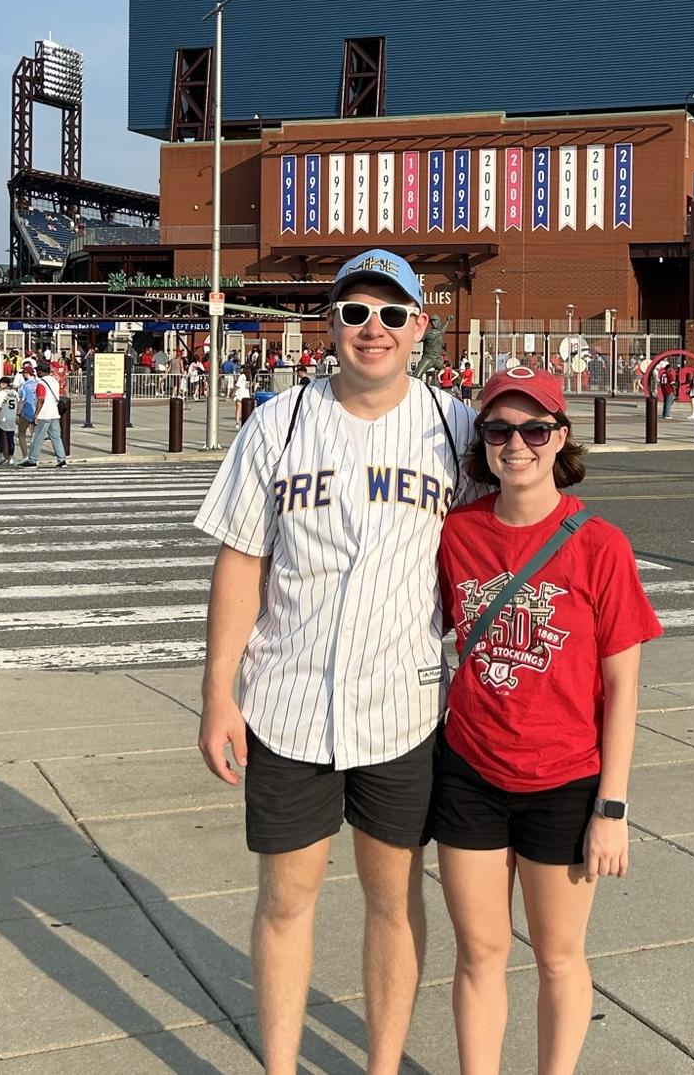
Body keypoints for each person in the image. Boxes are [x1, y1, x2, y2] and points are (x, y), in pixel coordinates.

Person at [193, 248, 476, 1075]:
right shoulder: (277, 422)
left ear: (421, 325)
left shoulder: (455, 428)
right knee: (286, 900)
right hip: (287, 702)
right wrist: (218, 694)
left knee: (394, 898)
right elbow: (242, 561)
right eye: (356, 312)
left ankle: (381, 1067)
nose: (374, 329)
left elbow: (513, 533)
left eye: (393, 313)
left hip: (405, 706)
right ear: (331, 324)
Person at [429, 366, 661, 1074]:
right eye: (500, 430)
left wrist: (612, 808)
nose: (517, 445)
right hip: (469, 770)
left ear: (560, 438)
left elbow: (622, 688)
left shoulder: (599, 544)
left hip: (564, 779)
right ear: (483, 443)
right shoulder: (457, 533)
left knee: (559, 957)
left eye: (535, 429)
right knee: (478, 954)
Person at [18, 360, 66, 467]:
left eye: (37, 371)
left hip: (44, 414)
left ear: (41, 371)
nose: (37, 373)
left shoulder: (41, 383)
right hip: (54, 414)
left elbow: (41, 400)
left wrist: (36, 414)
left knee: (37, 438)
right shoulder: (54, 381)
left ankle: (32, 460)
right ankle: (61, 459)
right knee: (56, 438)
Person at [0, 375, 20, 465]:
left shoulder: (2, 393)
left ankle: (1, 455)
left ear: (3, 384)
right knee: (10, 438)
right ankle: (10, 457)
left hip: (3, 417)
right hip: (12, 416)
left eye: (0, 384)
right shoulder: (15, 393)